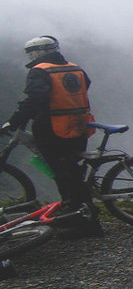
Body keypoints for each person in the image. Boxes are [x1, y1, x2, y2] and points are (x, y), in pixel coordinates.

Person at [1, 36, 102, 238]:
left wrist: (15, 121)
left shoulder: (40, 71)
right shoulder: (74, 68)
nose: (29, 56)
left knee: (66, 175)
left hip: (53, 129)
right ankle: (77, 213)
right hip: (79, 126)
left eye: (30, 52)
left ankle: (84, 223)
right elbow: (83, 87)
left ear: (38, 52)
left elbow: (35, 98)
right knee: (72, 172)